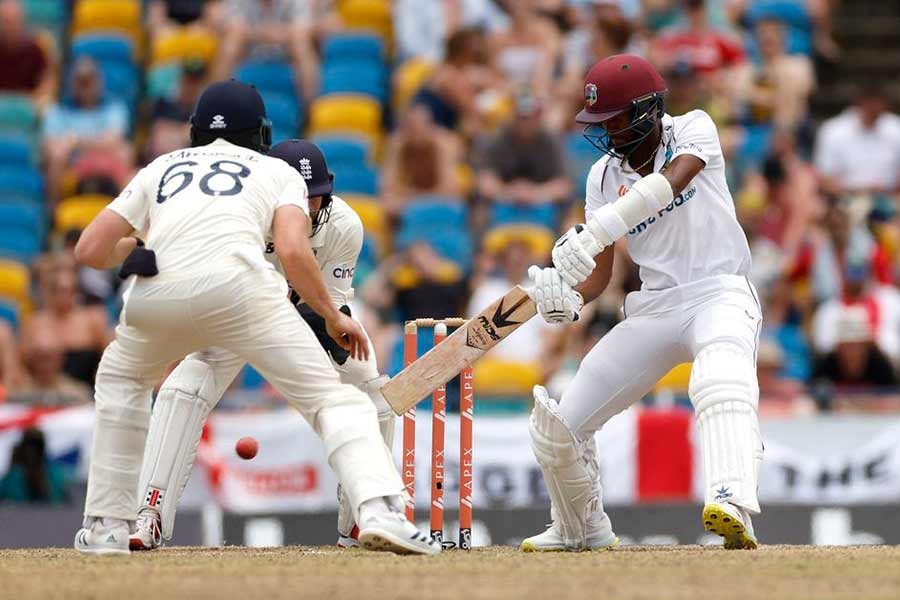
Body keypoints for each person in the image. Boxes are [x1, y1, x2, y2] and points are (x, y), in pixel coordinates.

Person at [71, 80, 437, 556]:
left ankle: (105, 527)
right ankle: (382, 508)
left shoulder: (161, 165)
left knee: (121, 382)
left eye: (317, 199)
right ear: (260, 135)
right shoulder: (270, 174)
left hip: (168, 293)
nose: (309, 207)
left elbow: (88, 249)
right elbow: (291, 249)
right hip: (248, 296)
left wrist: (137, 252)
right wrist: (330, 314)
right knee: (321, 401)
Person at [523, 54, 763, 551]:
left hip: (719, 291)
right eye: (598, 122)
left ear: (649, 110)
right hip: (654, 307)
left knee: (720, 378)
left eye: (614, 119)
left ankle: (730, 499)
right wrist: (567, 301)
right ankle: (581, 529)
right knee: (560, 426)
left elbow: (669, 183)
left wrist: (598, 228)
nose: (607, 132)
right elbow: (601, 275)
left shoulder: (693, 129)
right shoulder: (601, 177)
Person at [129, 139, 396, 551]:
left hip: (309, 312)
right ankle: (149, 516)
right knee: (182, 388)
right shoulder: (233, 217)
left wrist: (328, 325)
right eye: (300, 196)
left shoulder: (344, 225)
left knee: (372, 388)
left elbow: (333, 302)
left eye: (317, 197)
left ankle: (363, 522)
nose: (308, 208)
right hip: (236, 312)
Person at [0, 0, 55, 107]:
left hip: (30, 106)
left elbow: (46, 86)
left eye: (14, 21)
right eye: (6, 22)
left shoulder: (36, 49)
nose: (10, 27)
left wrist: (32, 103)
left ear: (23, 21)